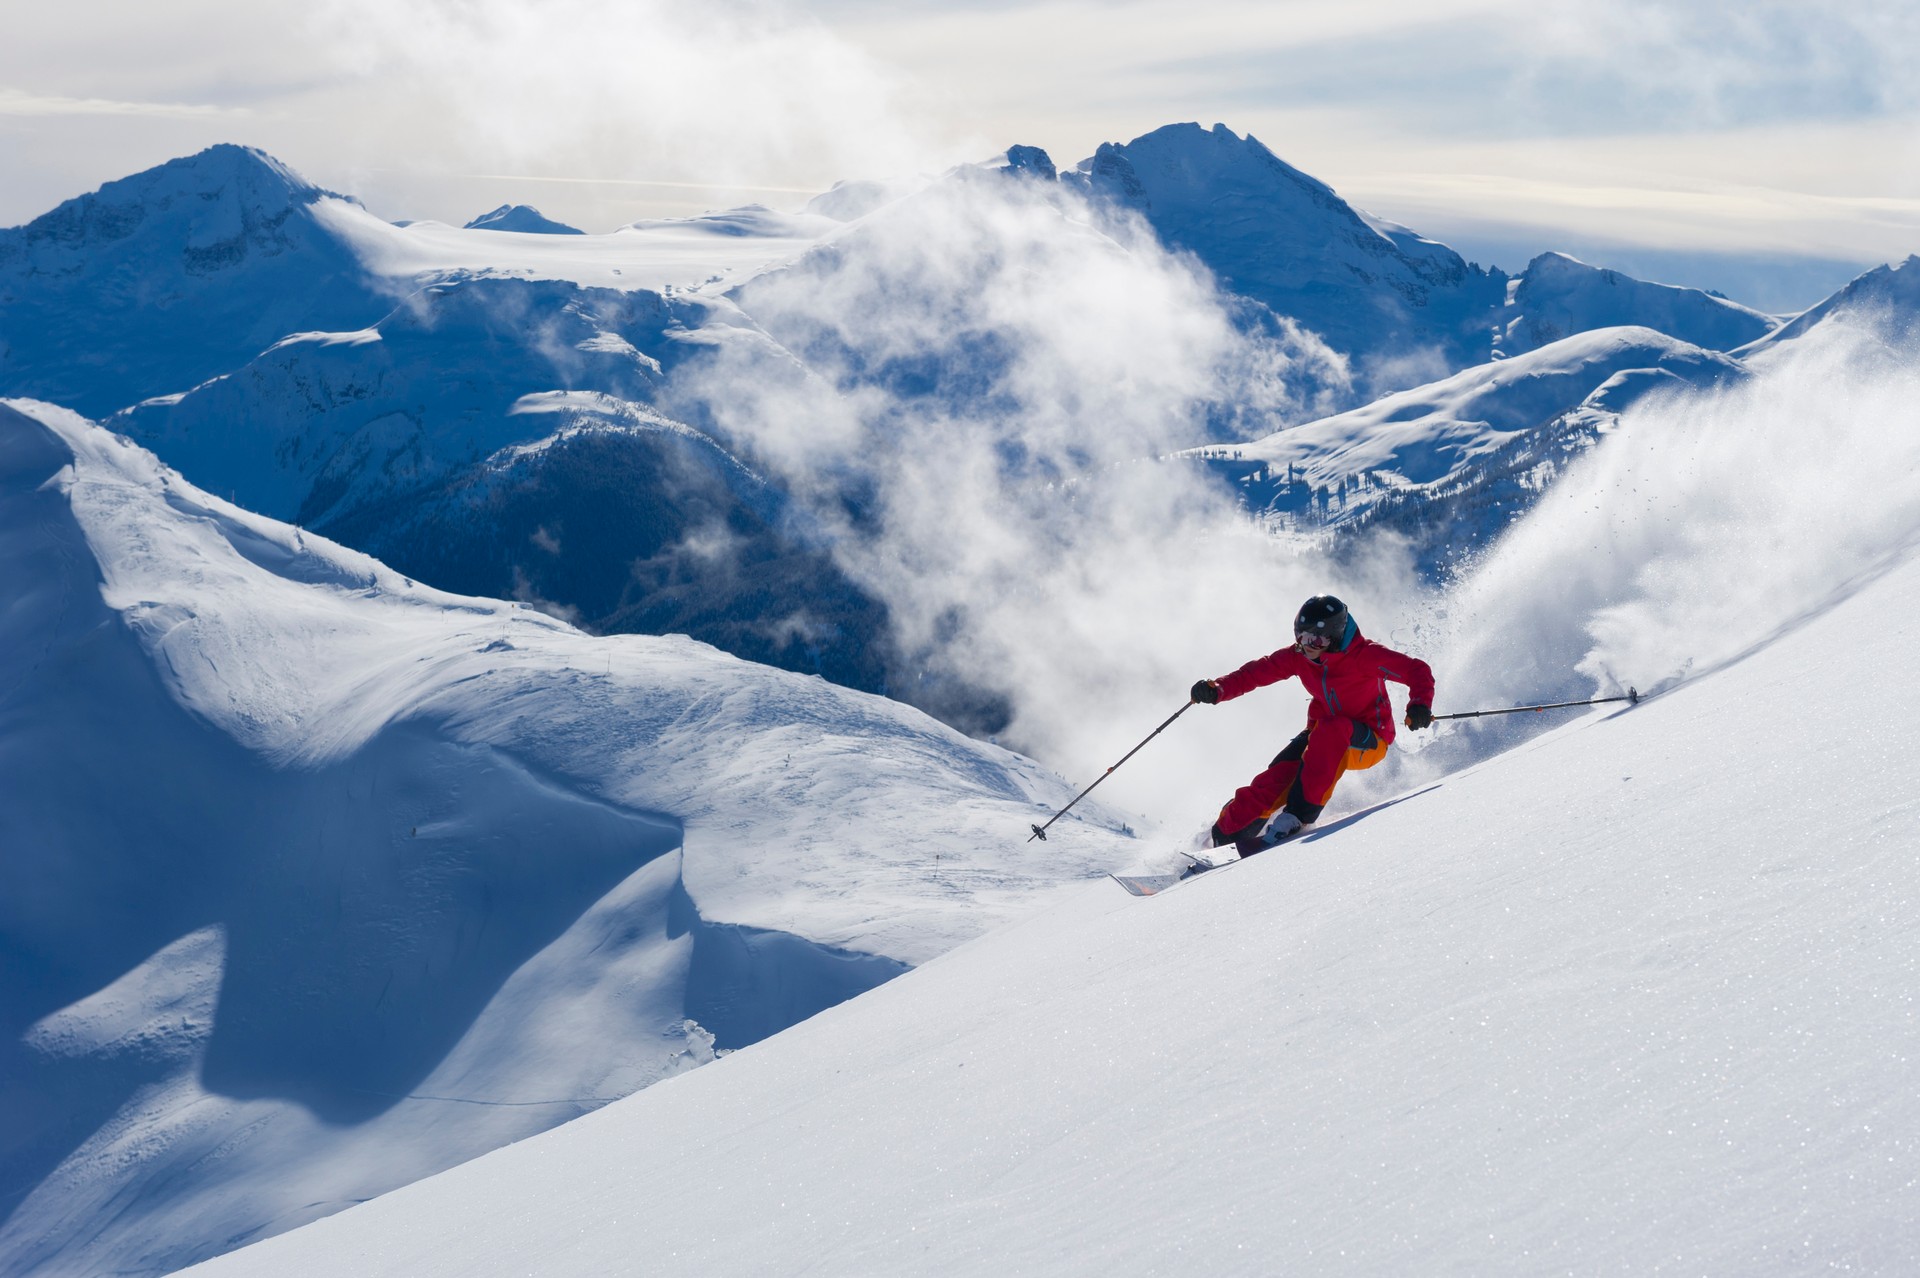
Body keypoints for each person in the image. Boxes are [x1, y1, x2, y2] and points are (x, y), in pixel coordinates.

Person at [1190, 595, 1434, 856]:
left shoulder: (1365, 656)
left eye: (1316, 640)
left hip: (1370, 739)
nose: (1307, 646)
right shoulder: (1299, 656)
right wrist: (1219, 689)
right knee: (1273, 781)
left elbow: (1417, 670)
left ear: (1336, 636)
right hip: (1320, 736)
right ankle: (1219, 839)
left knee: (1333, 731)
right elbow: (1257, 672)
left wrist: (1419, 705)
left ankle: (1296, 817)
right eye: (1302, 637)